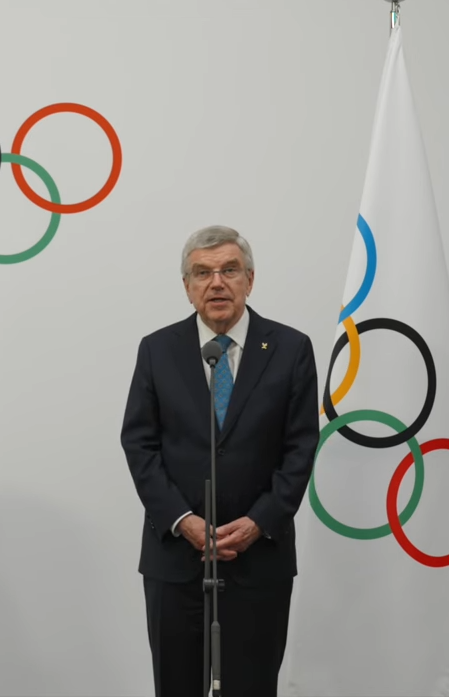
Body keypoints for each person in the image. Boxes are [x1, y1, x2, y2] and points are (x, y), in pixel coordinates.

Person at [119, 225, 318, 697]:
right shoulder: (158, 349)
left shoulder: (290, 349)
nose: (216, 283)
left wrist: (259, 521)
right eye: (202, 273)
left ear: (250, 279)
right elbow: (139, 443)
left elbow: (301, 447)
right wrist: (181, 519)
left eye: (229, 270)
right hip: (176, 561)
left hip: (259, 560)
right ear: (187, 286)